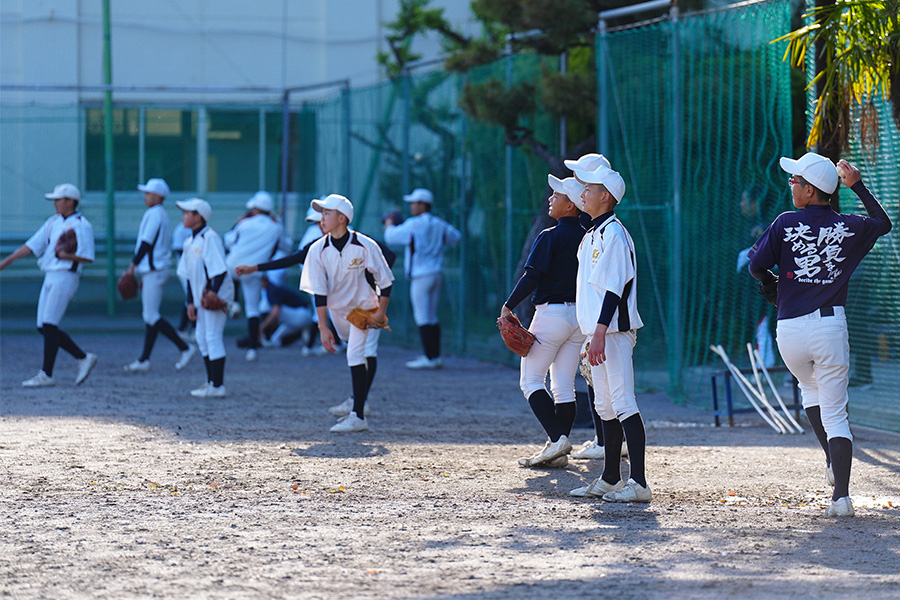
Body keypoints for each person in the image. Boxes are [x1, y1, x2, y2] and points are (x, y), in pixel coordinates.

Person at [747, 153, 892, 517]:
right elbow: (883, 222)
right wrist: (855, 184)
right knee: (837, 414)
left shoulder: (786, 222)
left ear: (810, 190)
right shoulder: (850, 225)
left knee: (809, 389)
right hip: (829, 326)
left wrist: (772, 285)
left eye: (795, 181)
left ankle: (831, 459)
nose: (791, 185)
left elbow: (756, 265)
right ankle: (840, 497)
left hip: (791, 330)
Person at [569, 164, 651, 503]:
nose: (582, 193)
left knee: (623, 402)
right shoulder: (592, 234)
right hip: (598, 333)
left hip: (613, 333)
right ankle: (610, 477)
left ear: (605, 196)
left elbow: (613, 290)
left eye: (588, 187)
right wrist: (590, 335)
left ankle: (640, 483)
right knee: (604, 405)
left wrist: (600, 332)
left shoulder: (615, 233)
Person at [300, 194, 394, 433]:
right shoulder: (317, 250)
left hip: (363, 309)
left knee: (355, 354)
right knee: (351, 349)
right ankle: (358, 408)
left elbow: (385, 281)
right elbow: (318, 293)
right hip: (337, 312)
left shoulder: (364, 245)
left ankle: (358, 415)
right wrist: (323, 327)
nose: (322, 218)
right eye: (321, 213)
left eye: (327, 213)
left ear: (342, 218)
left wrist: (380, 312)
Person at [0, 183, 98, 387]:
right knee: (42, 326)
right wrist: (6, 261)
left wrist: (66, 255)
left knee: (49, 324)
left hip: (66, 276)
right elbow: (31, 245)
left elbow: (88, 257)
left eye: (58, 200)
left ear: (70, 201)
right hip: (50, 275)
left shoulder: (81, 225)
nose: (54, 203)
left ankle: (47, 374)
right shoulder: (53, 222)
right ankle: (82, 357)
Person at [122, 178, 197, 373]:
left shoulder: (155, 213)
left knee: (151, 315)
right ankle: (144, 359)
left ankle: (185, 347)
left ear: (158, 196)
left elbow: (146, 243)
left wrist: (132, 266)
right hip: (153, 269)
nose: (145, 196)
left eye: (148, 193)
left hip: (155, 270)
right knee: (150, 315)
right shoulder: (158, 213)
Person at [384, 188, 461, 369]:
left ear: (422, 204)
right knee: (432, 316)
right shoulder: (439, 223)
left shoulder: (413, 224)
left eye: (414, 203)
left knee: (422, 317)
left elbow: (390, 237)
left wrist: (389, 222)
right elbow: (455, 237)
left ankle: (429, 357)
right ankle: (435, 356)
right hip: (436, 272)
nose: (411, 206)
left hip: (420, 274)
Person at [176, 198, 234, 398]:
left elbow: (219, 270)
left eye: (187, 212)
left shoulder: (210, 237)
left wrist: (214, 292)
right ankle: (211, 382)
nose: (183, 216)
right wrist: (190, 302)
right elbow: (190, 277)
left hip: (216, 293)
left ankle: (217, 386)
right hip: (201, 295)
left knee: (212, 336)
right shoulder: (189, 242)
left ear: (199, 216)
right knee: (201, 337)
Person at [224, 191, 287, 361]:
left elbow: (229, 241)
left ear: (256, 209)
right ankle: (252, 349)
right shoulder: (276, 227)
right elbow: (285, 247)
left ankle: (234, 302)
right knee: (253, 310)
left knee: (230, 273)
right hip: (254, 270)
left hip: (233, 266)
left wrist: (239, 223)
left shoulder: (245, 224)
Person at [257, 275, 315, 348]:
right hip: (297, 317)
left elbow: (276, 311)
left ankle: (303, 330)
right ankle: (300, 333)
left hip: (301, 315)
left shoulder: (272, 290)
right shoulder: (271, 289)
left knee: (267, 307)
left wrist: (262, 327)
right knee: (274, 341)